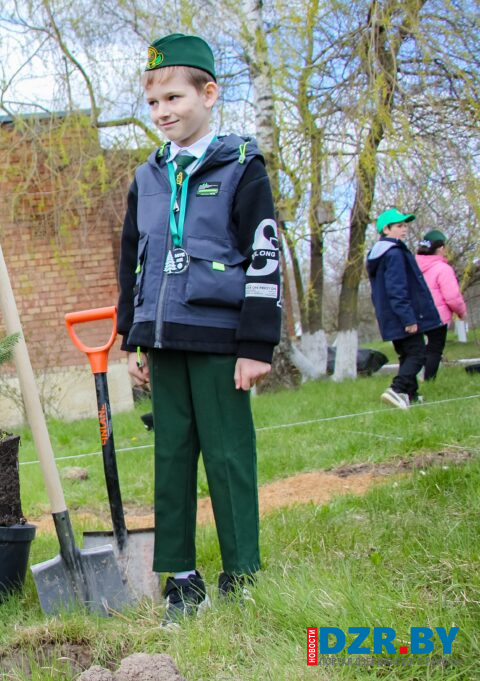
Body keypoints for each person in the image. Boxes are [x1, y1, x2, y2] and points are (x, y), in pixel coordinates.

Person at [115, 33, 281, 625]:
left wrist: (256, 343)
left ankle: (241, 571)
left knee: (229, 456)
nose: (163, 112)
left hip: (220, 341)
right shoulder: (148, 176)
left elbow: (263, 254)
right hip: (163, 340)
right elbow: (132, 257)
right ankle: (181, 576)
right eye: (154, 102)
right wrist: (132, 334)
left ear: (209, 93)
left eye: (174, 97)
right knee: (172, 455)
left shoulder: (242, 167)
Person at [366, 209, 442, 409]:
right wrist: (408, 318)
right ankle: (397, 389)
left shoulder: (379, 253)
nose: (404, 230)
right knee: (418, 354)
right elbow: (397, 289)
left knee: (407, 355)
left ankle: (411, 394)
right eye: (399, 226)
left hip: (391, 316)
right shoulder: (394, 253)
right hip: (403, 316)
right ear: (386, 229)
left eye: (405, 225)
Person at [415, 229, 468, 380]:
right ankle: (429, 381)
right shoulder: (443, 269)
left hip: (416, 314)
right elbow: (452, 297)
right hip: (437, 316)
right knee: (434, 349)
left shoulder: (413, 267)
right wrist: (461, 312)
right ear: (440, 248)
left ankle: (414, 379)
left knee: (417, 349)